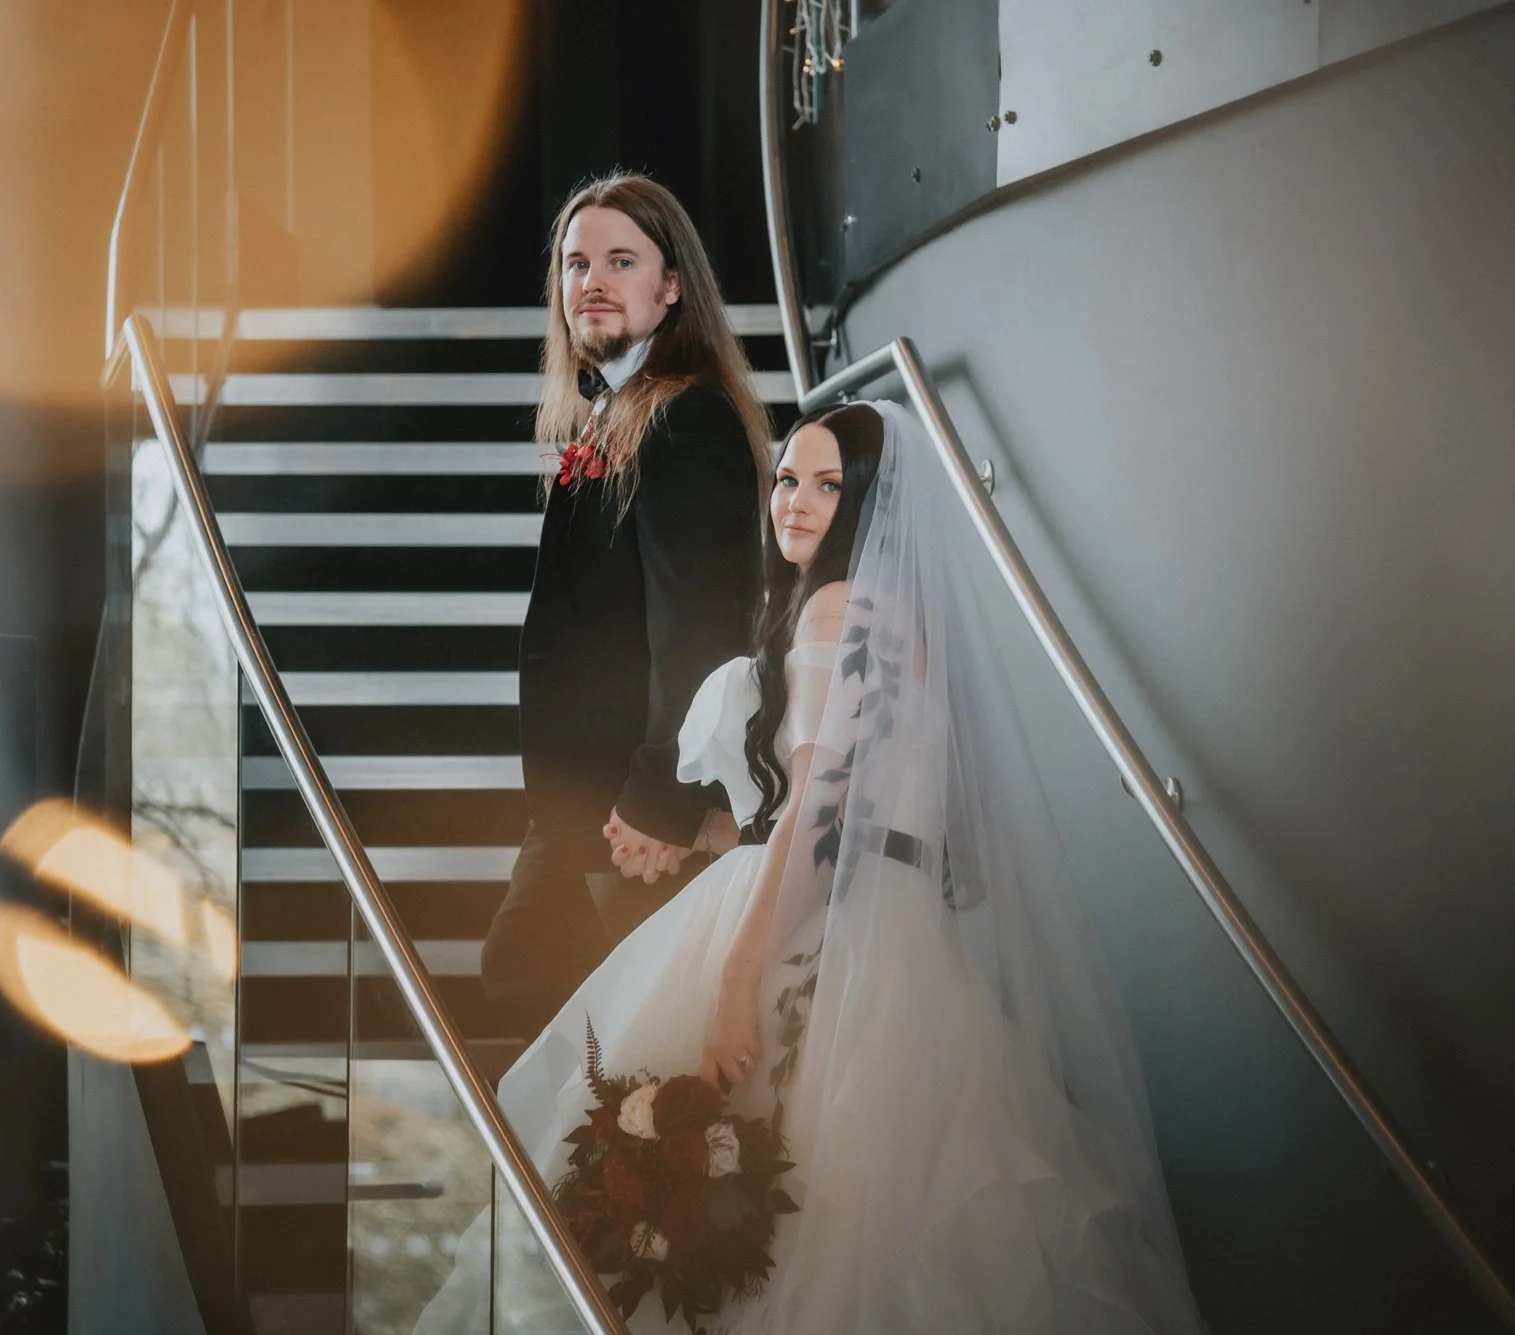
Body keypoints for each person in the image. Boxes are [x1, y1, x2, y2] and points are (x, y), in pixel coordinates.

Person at [422, 402, 1206, 1334]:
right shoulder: (907, 627)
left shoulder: (836, 610)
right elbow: (874, 819)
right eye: (788, 478)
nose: (794, 501)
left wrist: (736, 978)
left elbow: (819, 809)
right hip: (901, 935)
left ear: (869, 504)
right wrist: (707, 839)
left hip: (819, 936)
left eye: (829, 485)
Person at [483, 173, 773, 1043]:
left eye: (620, 261)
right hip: (579, 796)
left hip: (632, 802)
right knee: (528, 983)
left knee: (640, 1052)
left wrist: (661, 799)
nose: (592, 282)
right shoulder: (611, 414)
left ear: (671, 285)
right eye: (576, 264)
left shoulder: (686, 421)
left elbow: (701, 629)